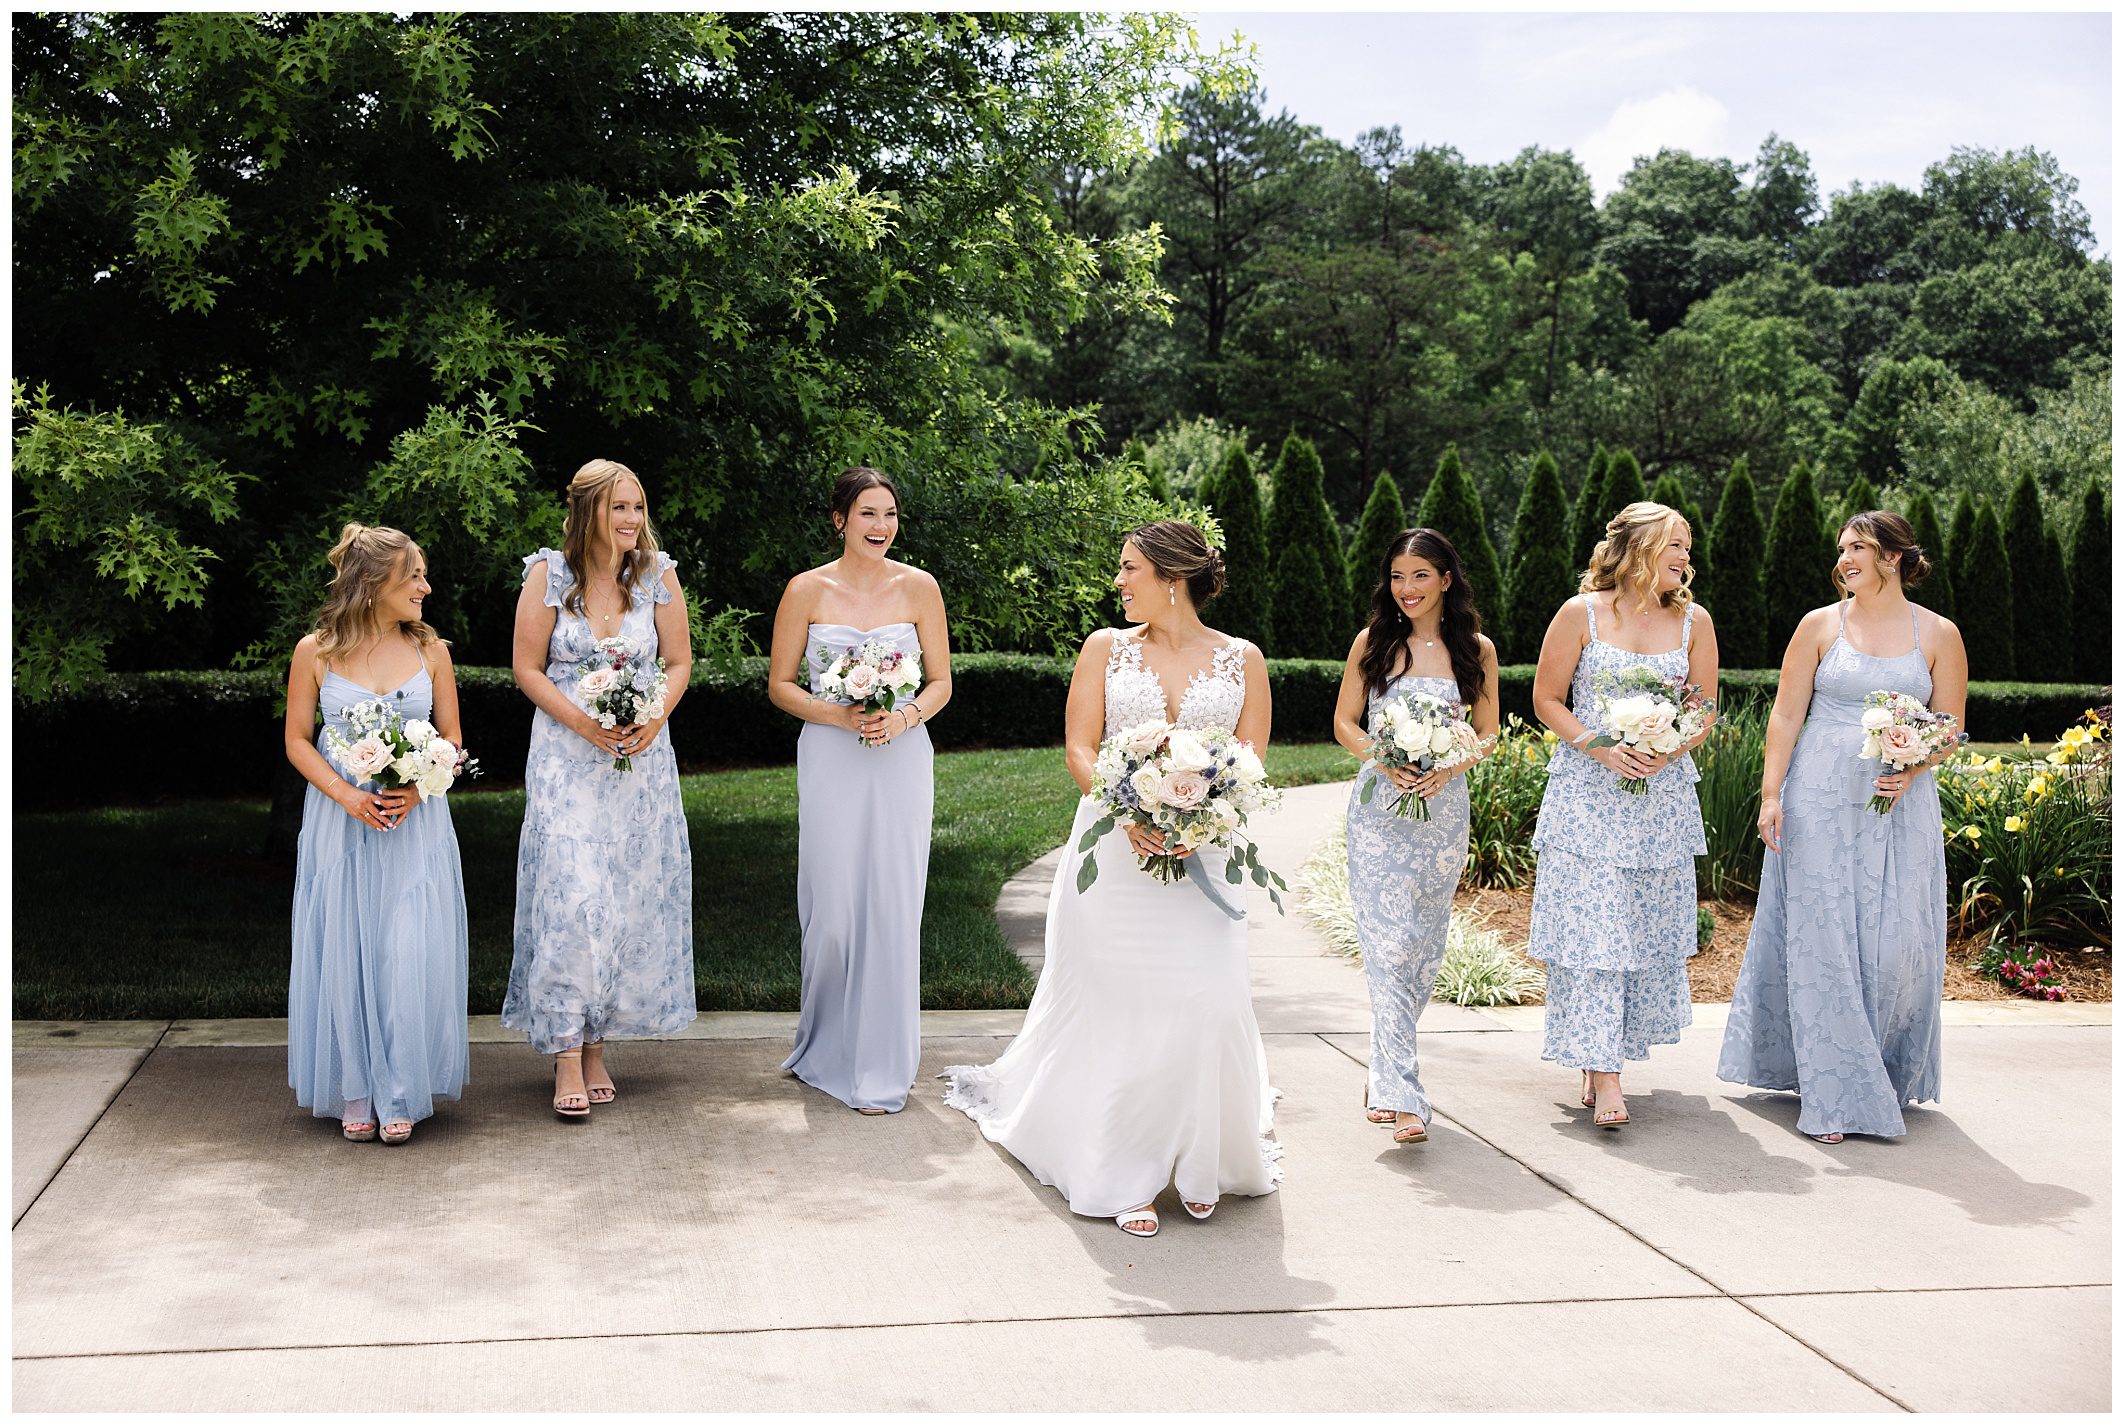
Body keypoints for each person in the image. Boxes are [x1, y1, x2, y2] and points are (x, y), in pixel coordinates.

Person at [941, 521, 1279, 1237]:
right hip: (1115, 855)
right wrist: (1131, 809)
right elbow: (1078, 744)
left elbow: (1249, 762)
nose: (1119, 582)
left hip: (1206, 859)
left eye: (1130, 569)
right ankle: (1124, 1167)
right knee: (1122, 1005)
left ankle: (1199, 1160)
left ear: (1172, 577)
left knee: (1209, 1002)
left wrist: (1196, 822)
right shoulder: (1105, 648)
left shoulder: (1243, 659)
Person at [1718, 511, 1968, 1142]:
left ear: (1894, 556)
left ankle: (1875, 1069)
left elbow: (1952, 727)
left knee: (1892, 948)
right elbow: (1784, 716)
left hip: (1898, 806)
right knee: (1822, 940)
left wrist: (1915, 766)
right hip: (1819, 800)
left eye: (1859, 547)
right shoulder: (1819, 625)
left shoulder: (1940, 634)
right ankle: (1838, 1094)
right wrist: (1771, 796)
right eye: (1842, 548)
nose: (1846, 557)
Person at [503, 459, 695, 1119]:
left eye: (637, 507)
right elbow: (527, 667)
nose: (631, 521)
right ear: (588, 510)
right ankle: (563, 1049)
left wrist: (652, 715)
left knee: (617, 898)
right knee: (574, 895)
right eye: (619, 508)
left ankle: (595, 1045)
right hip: (565, 754)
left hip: (639, 760)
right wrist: (584, 721)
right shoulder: (547, 575)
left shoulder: (657, 575)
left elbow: (678, 661)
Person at [1528, 501, 1719, 1129]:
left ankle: (1600, 1055)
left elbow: (1704, 708)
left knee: (1634, 934)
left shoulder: (1694, 621)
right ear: (1639, 548)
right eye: (1676, 546)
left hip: (1659, 803)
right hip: (1587, 799)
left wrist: (1669, 747)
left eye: (1688, 548)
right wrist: (1602, 748)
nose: (1686, 559)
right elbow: (1547, 699)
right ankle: (1607, 1077)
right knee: (1595, 934)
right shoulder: (1579, 614)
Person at [767, 466, 952, 1114]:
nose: (881, 526)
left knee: (893, 904)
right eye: (868, 513)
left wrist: (901, 716)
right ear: (839, 518)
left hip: (901, 758)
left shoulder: (920, 587)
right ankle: (822, 1044)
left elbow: (940, 684)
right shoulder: (806, 589)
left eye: (890, 514)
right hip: (830, 753)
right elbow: (781, 684)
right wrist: (839, 712)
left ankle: (882, 1064)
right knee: (834, 912)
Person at [285, 523, 470, 1145]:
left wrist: (419, 786)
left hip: (414, 827)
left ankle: (400, 1088)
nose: (425, 585)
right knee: (344, 947)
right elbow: (296, 741)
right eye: (412, 575)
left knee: (403, 948)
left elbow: (452, 739)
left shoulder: (431, 651)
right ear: (373, 583)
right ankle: (356, 1089)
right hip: (340, 825)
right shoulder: (315, 651)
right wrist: (346, 795)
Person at [1332, 528, 1499, 1145]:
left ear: (1446, 580)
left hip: (1444, 812)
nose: (1406, 589)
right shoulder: (1373, 643)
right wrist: (1382, 754)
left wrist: (1452, 762)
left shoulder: (1474, 650)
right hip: (1379, 811)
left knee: (1424, 948)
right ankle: (1402, 1091)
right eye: (1397, 577)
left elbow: (1488, 731)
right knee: (1388, 945)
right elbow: (1344, 721)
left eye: (1420, 576)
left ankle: (1385, 1074)